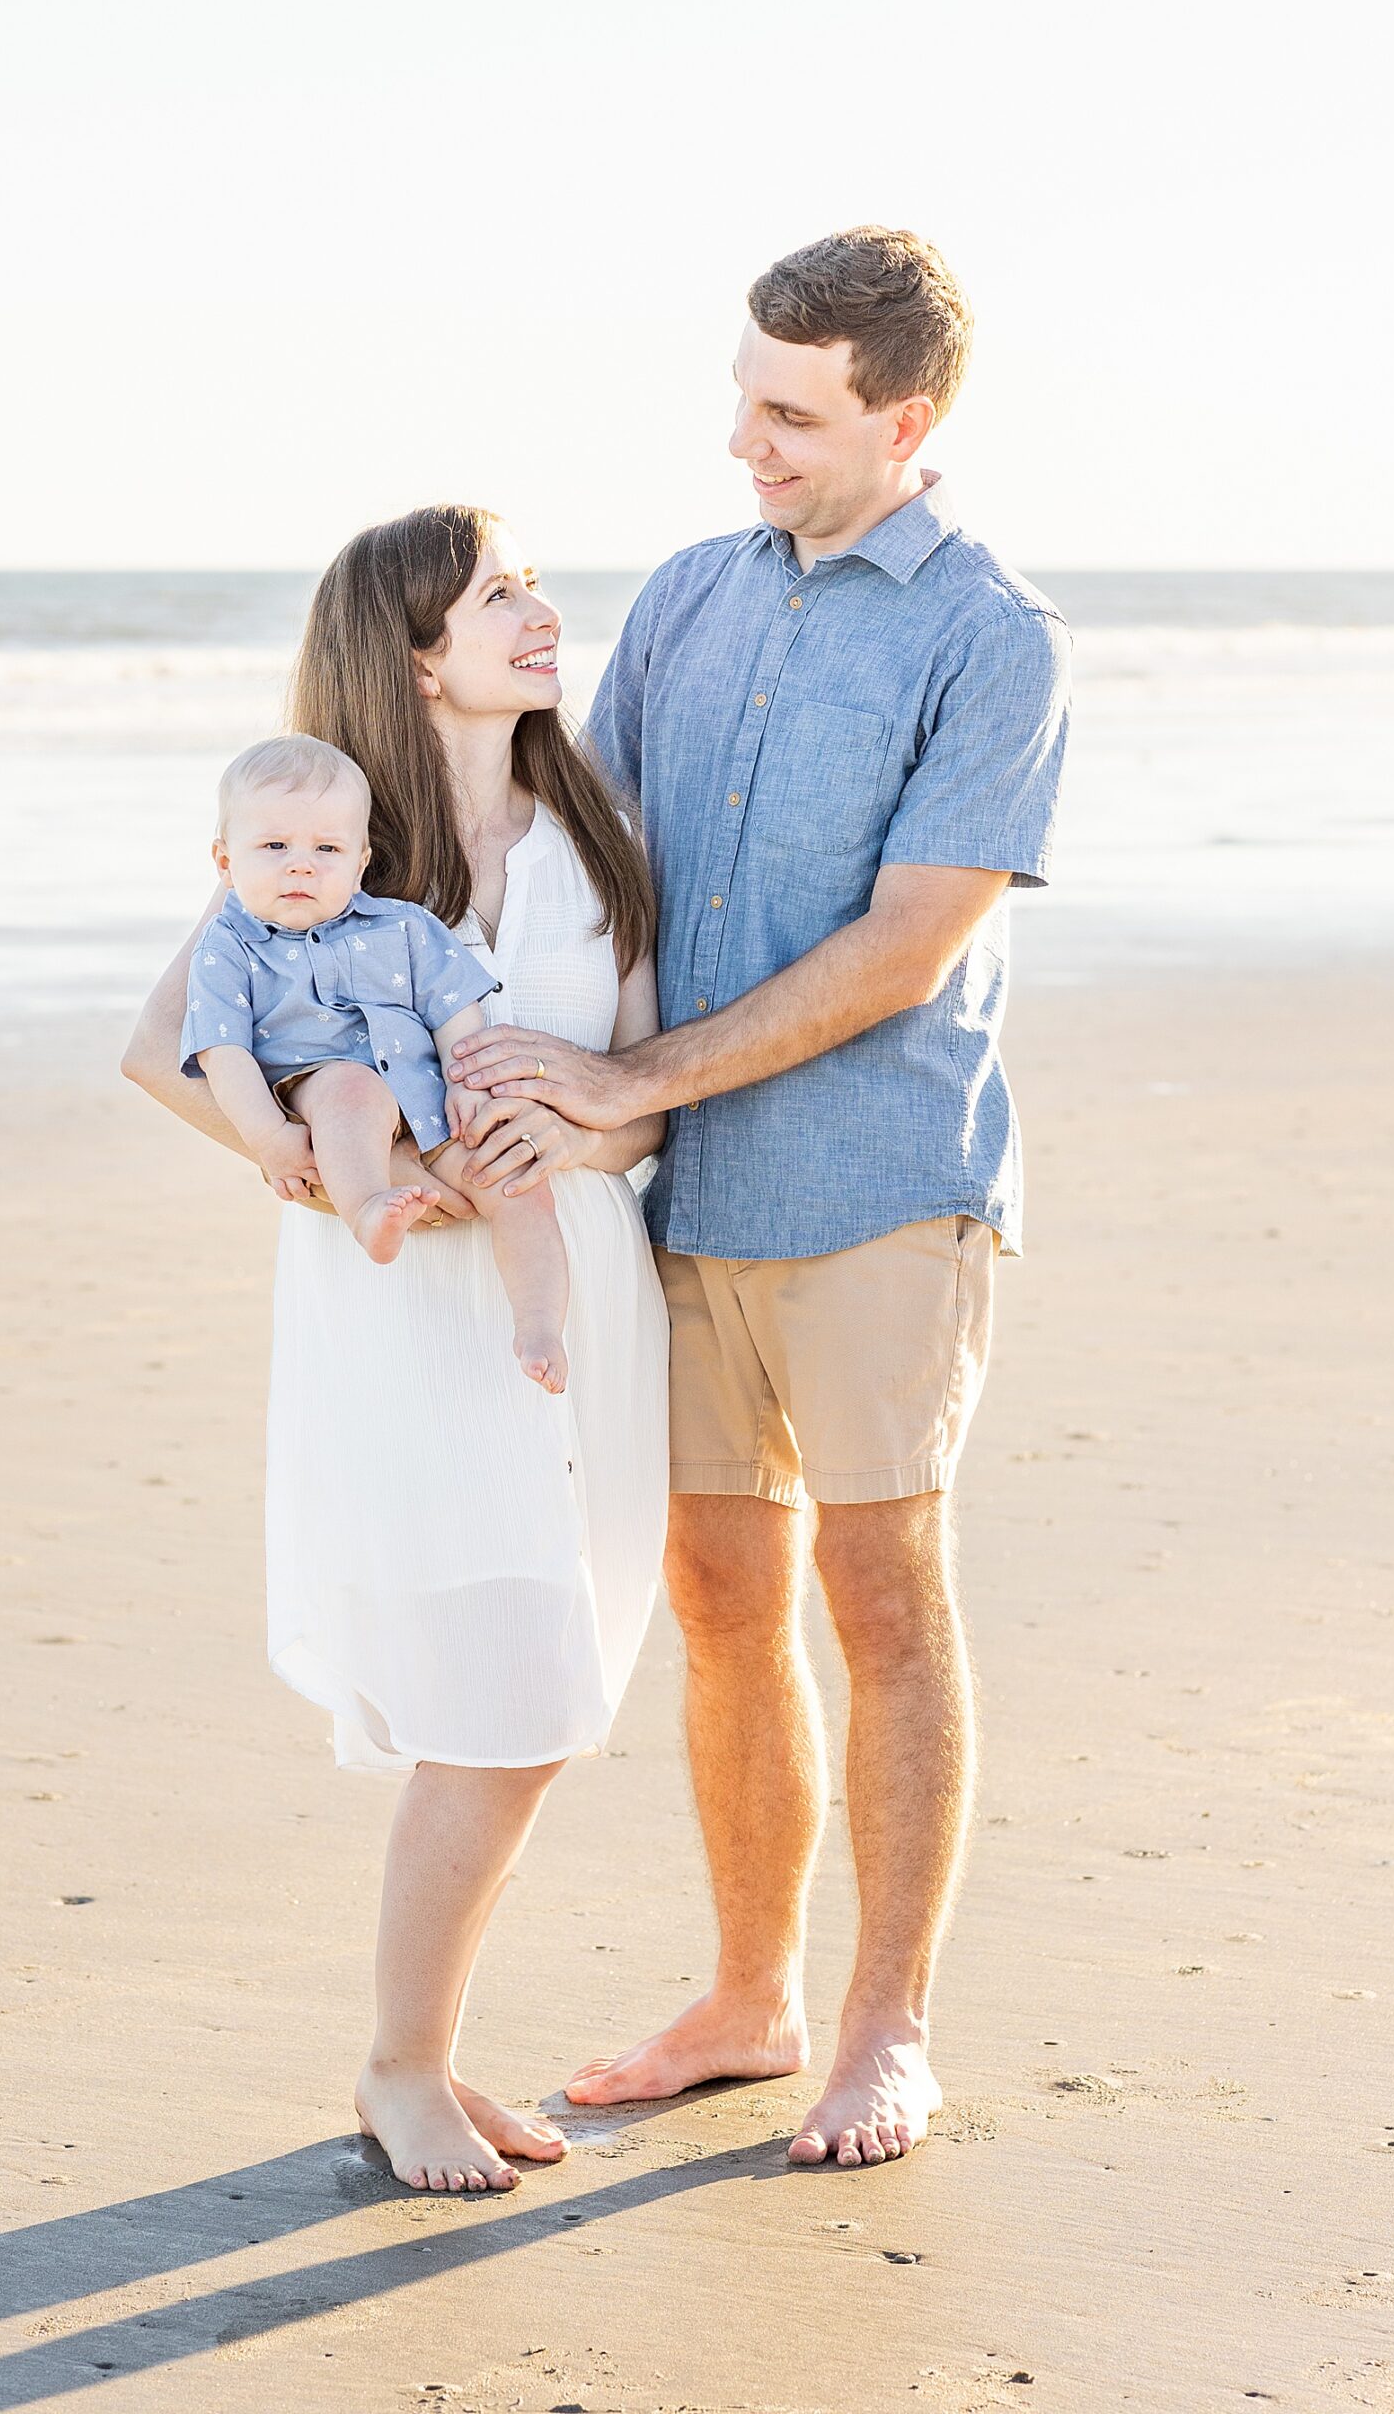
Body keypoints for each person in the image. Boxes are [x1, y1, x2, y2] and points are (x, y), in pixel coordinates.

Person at [448, 226, 1071, 2170]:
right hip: (686, 1189)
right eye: (740, 395)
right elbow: (581, 861)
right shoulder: (693, 599)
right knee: (718, 1593)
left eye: (789, 412)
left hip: (882, 1175)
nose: (745, 441)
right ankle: (748, 1993)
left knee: (876, 1588)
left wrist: (636, 1079)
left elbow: (907, 942)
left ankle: (883, 2024)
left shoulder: (990, 632)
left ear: (906, 416)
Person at [122, 506, 668, 2192]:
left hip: (572, 1295)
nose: (538, 612)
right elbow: (165, 1050)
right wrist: (344, 1171)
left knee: (533, 1702)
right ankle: (401, 2066)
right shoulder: (326, 848)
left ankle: (424, 2051)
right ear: (415, 648)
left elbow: (636, 1087)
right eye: (498, 594)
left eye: (526, 586)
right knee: (498, 1706)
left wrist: (573, 1149)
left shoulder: (596, 828)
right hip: (399, 1311)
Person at [181, 733, 573, 1390]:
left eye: (326, 849)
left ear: (361, 862)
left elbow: (454, 1008)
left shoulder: (402, 927)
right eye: (274, 847)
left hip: (425, 1100)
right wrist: (270, 1138)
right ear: (225, 861)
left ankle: (539, 1322)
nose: (301, 866)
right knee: (349, 1088)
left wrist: (465, 1085)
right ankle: (367, 1207)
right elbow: (223, 1052)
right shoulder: (228, 946)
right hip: (326, 1090)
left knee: (517, 1180)